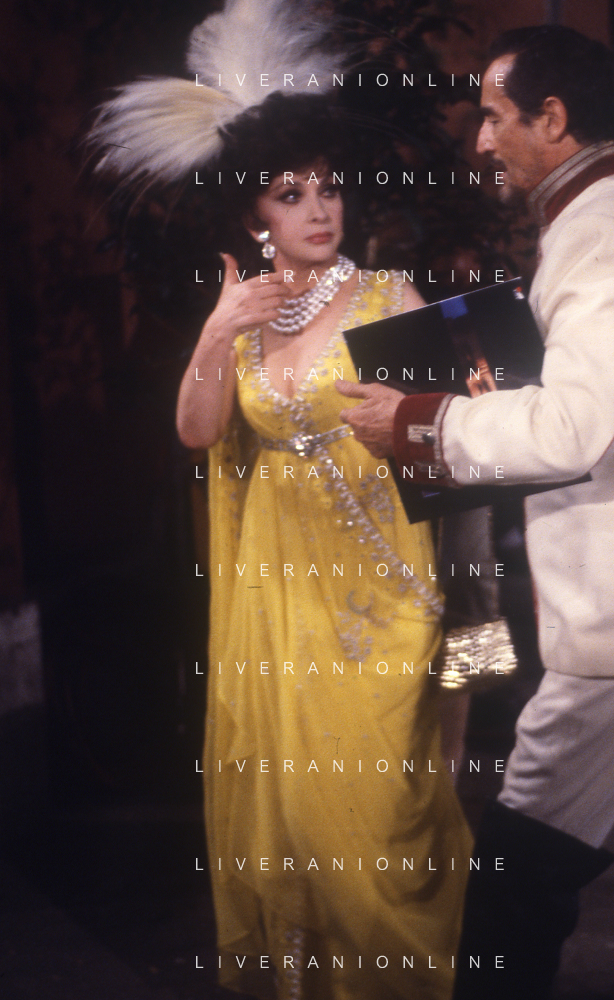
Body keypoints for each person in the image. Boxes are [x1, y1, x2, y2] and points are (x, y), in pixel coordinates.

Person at [337, 25, 614, 1000]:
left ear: (552, 118)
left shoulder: (601, 230)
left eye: (494, 117)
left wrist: (417, 421)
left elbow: (576, 429)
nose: (480, 140)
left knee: (515, 876)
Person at [177, 93, 472, 999]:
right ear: (253, 219)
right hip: (278, 607)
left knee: (380, 815)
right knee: (300, 817)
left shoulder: (389, 297)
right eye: (290, 194)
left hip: (383, 600)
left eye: (329, 189)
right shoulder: (242, 318)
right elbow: (196, 430)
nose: (318, 209)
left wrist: (477, 628)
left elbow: (457, 453)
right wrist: (219, 327)